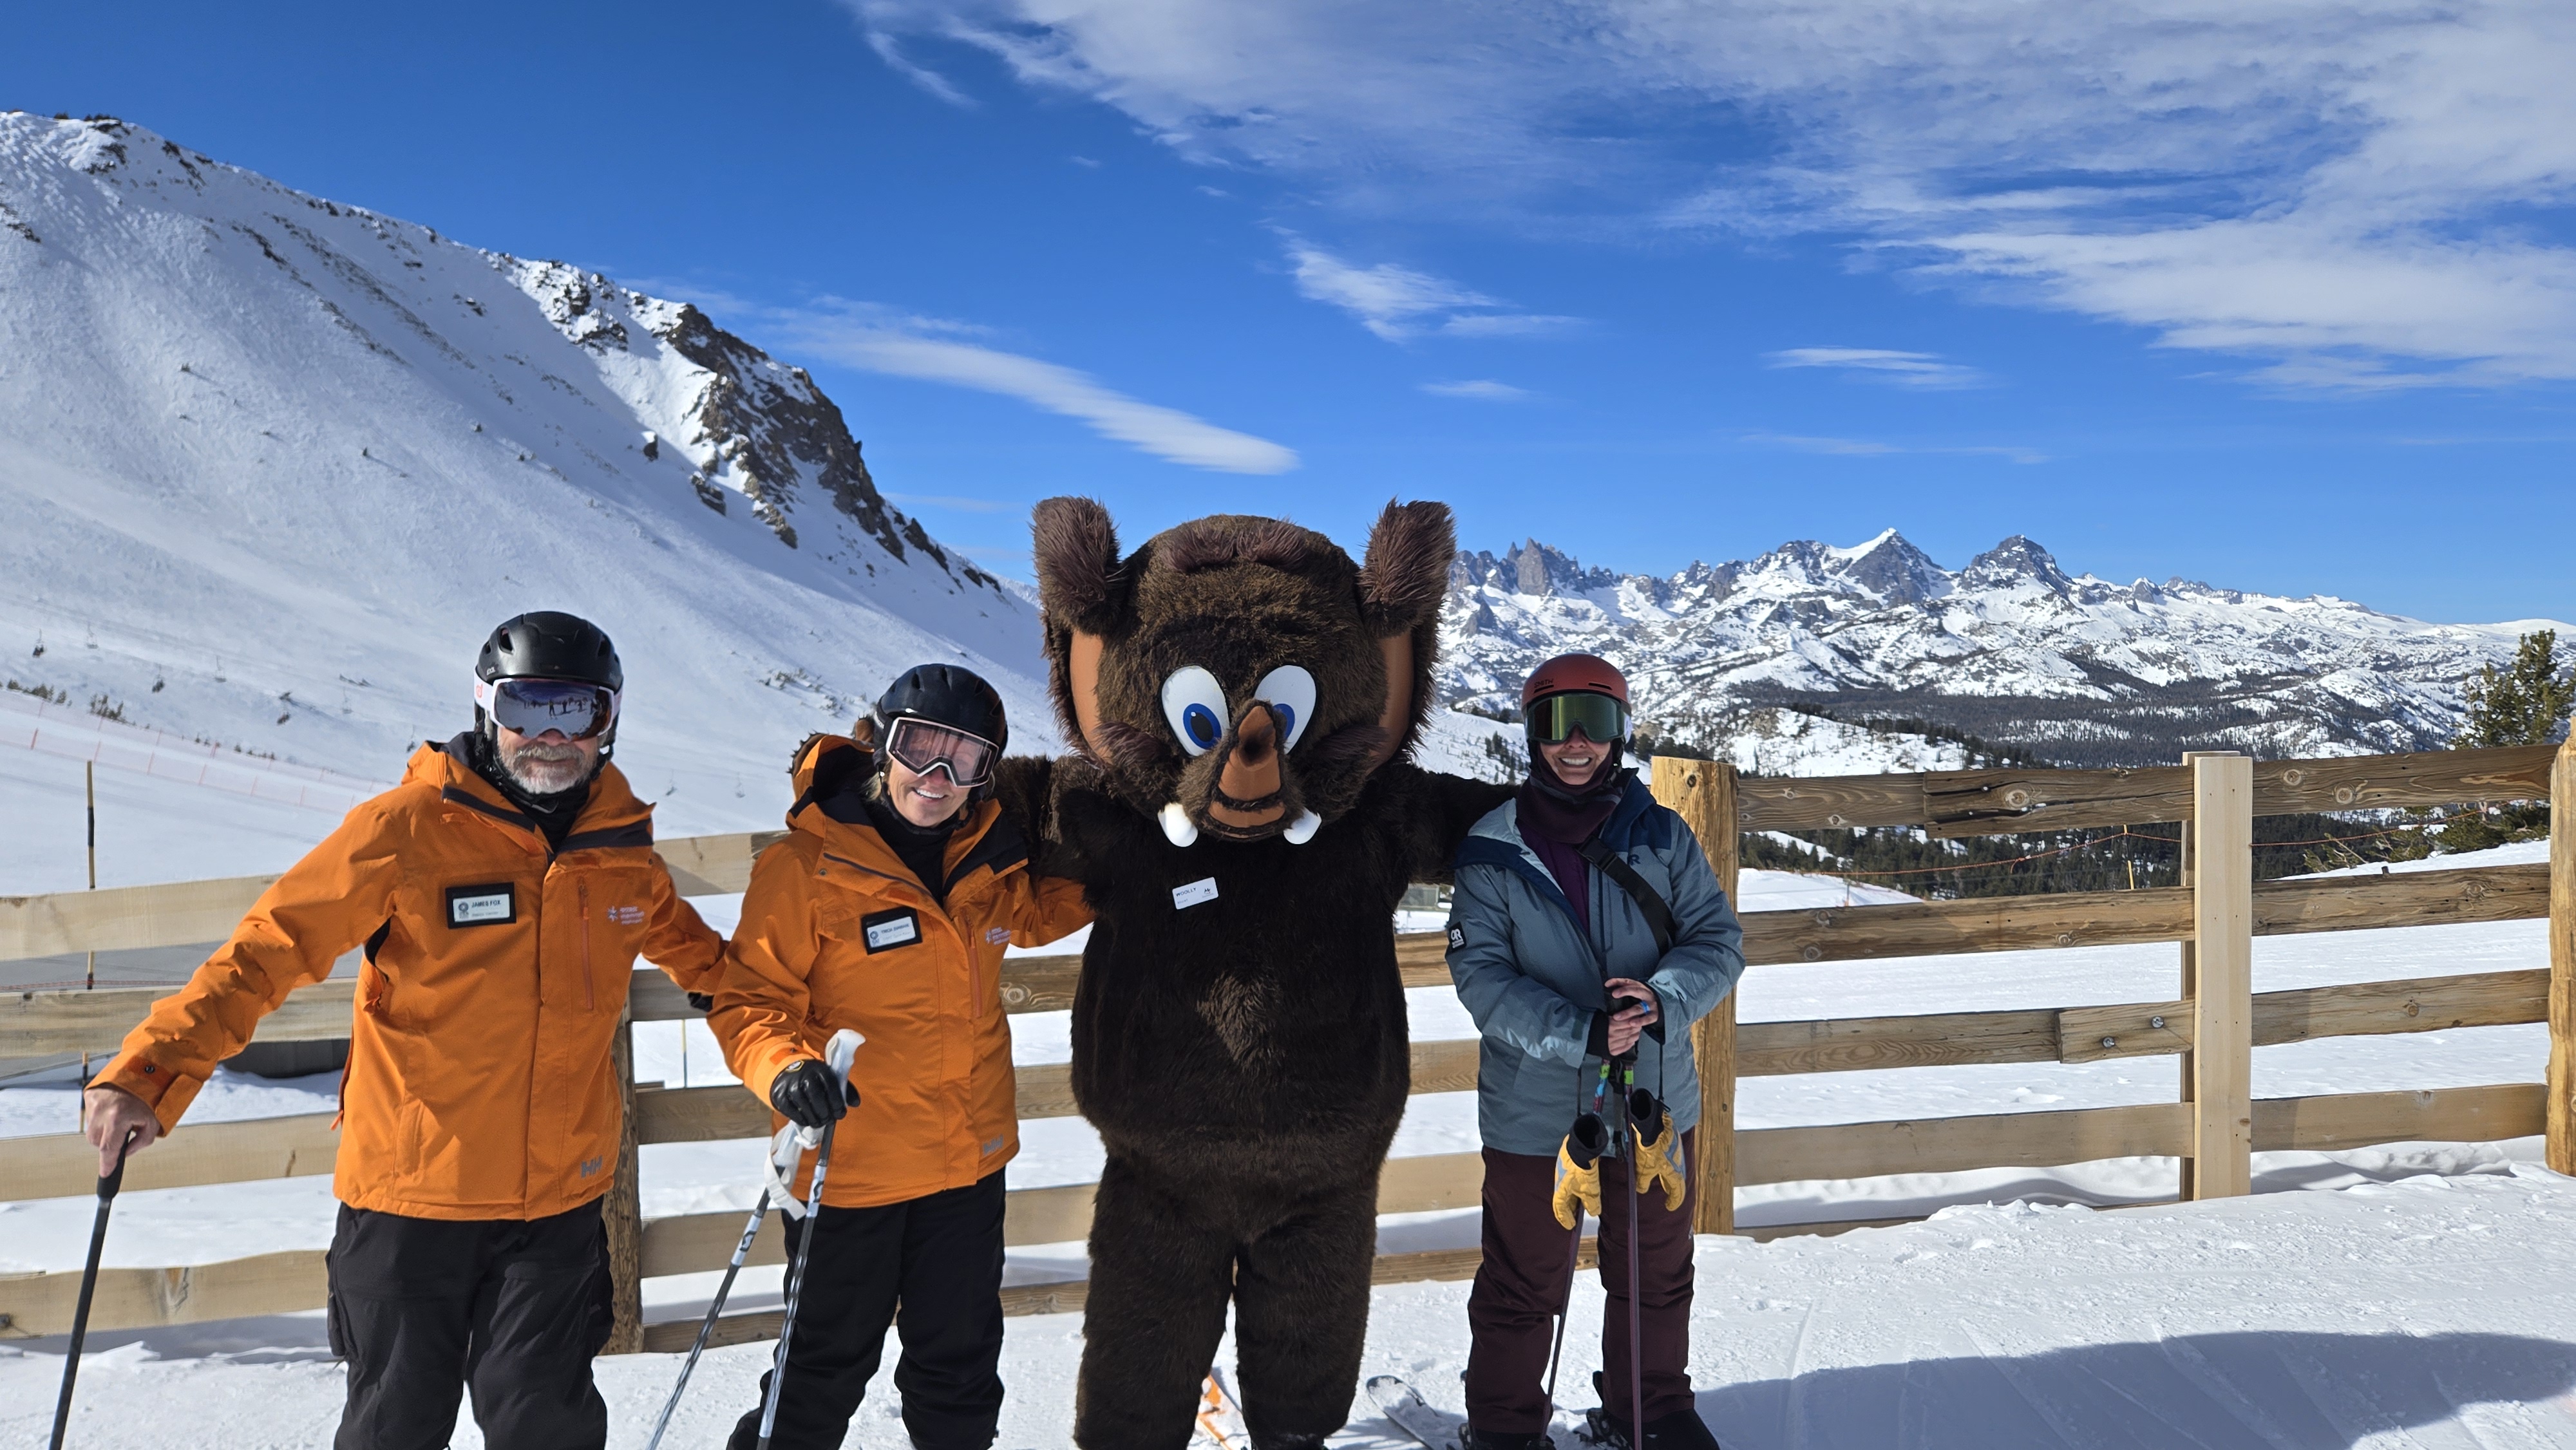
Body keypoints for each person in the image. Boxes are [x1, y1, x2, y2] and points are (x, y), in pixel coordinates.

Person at [80, 611, 727, 1450]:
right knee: (396, 1429)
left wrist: (802, 1039)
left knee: (547, 1425)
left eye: (577, 711)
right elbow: (265, 953)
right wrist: (149, 1071)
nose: (550, 737)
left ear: (609, 720)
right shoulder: (405, 829)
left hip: (556, 1206)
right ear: (486, 707)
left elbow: (713, 967)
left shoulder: (619, 852)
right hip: (411, 1199)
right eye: (525, 707)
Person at [711, 663, 1092, 1450]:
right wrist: (786, 1069)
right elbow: (749, 1001)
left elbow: (1035, 913)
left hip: (966, 1164)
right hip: (852, 1170)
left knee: (959, 1369)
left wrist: (1136, 867)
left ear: (986, 773)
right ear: (882, 744)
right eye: (921, 747)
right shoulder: (805, 866)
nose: (938, 775)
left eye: (965, 757)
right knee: (821, 1370)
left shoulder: (987, 859)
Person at [1444, 653, 1746, 1450]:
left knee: (1655, 1265)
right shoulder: (1493, 850)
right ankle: (1504, 1425)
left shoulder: (1660, 834)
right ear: (1530, 735)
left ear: (1620, 732)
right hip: (1536, 1105)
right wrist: (1576, 1029)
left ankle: (1651, 1408)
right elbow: (1481, 977)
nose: (1574, 742)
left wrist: (1662, 998)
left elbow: (1716, 940)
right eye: (1555, 723)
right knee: (1524, 1273)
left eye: (1596, 722)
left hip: (1652, 1093)